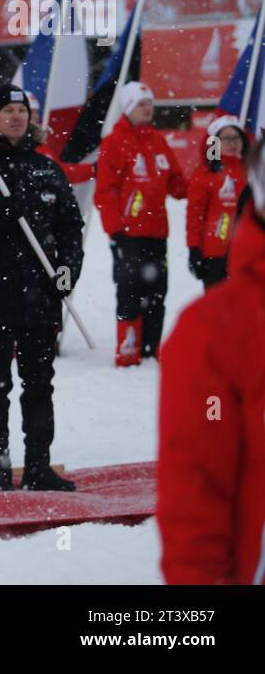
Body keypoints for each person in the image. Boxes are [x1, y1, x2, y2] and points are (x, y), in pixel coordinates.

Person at [0, 85, 84, 492]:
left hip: (40, 296)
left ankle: (38, 465)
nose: (17, 117)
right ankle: (0, 470)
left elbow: (70, 227)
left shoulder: (47, 169)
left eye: (22, 109)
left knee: (40, 383)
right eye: (8, 110)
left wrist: (67, 270)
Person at [156, 139, 265, 583]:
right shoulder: (215, 330)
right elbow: (196, 481)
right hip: (215, 259)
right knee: (137, 304)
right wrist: (199, 250)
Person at [95, 80, 187, 366]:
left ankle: (151, 347)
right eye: (141, 104)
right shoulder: (114, 141)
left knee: (158, 291)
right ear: (128, 108)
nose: (148, 109)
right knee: (129, 290)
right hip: (128, 234)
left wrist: (204, 174)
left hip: (156, 232)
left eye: (150, 104)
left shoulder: (157, 140)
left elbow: (177, 184)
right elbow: (105, 190)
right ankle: (128, 348)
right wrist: (115, 228)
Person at [185, 115, 250, 290]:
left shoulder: (253, 172)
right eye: (226, 138)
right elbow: (195, 216)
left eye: (236, 137)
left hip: (248, 253)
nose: (232, 142)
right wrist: (194, 248)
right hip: (215, 254)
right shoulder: (204, 175)